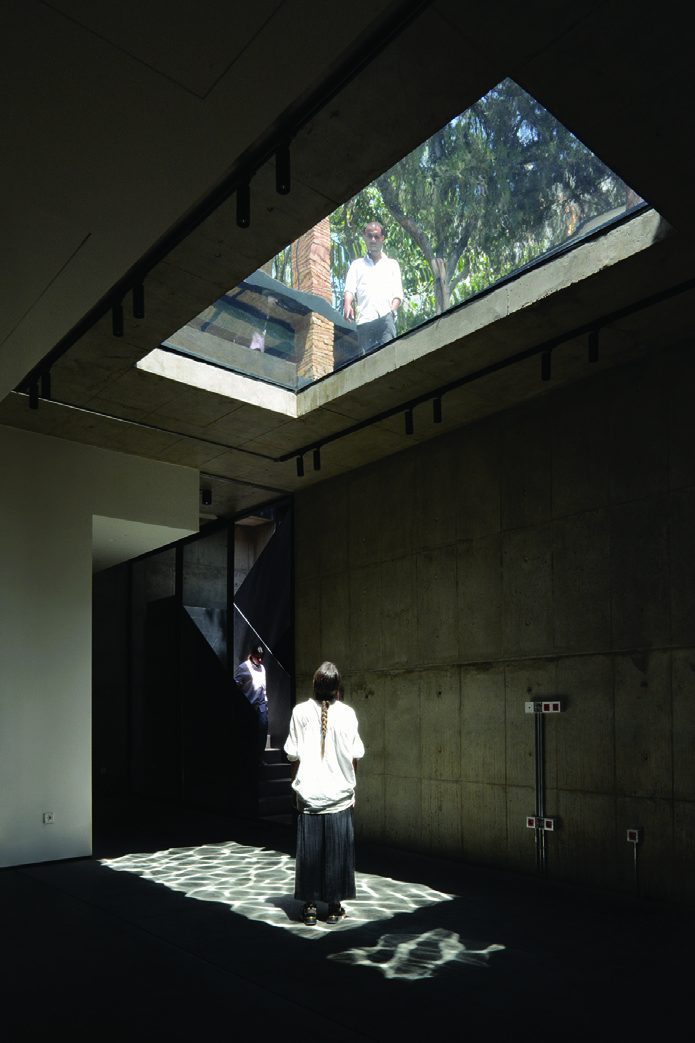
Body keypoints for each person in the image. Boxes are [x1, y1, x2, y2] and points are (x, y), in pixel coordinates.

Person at [284, 661, 365, 926]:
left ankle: (309, 908)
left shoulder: (300, 712)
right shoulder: (349, 714)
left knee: (309, 854)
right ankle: (333, 907)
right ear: (338, 687)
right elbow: (355, 757)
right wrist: (352, 789)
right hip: (339, 795)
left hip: (309, 795)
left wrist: (295, 786)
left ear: (315, 685)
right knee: (337, 853)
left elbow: (293, 755)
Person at [343, 221, 403, 355]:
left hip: (386, 318)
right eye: (370, 236)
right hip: (365, 321)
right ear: (364, 238)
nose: (373, 240)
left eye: (376, 236)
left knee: (389, 357)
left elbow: (397, 294)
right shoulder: (357, 265)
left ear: (382, 238)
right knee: (368, 362)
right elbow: (350, 288)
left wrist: (392, 312)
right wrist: (347, 304)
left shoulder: (392, 264)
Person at [234, 643, 268, 764]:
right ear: (252, 655)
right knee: (249, 732)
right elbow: (236, 681)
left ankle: (260, 757)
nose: (260, 659)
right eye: (257, 657)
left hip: (261, 704)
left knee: (263, 728)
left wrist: (266, 702)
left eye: (261, 657)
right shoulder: (244, 667)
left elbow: (263, 687)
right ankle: (248, 757)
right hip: (250, 703)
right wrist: (237, 685)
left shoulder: (262, 668)